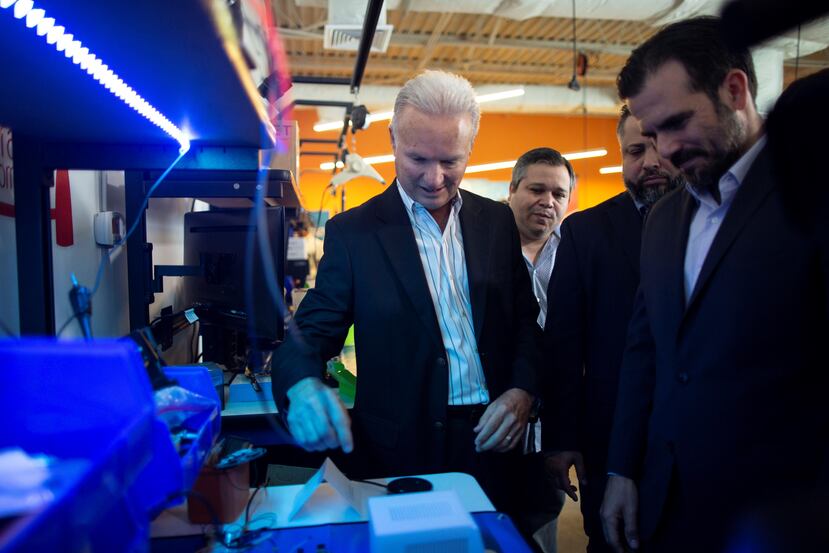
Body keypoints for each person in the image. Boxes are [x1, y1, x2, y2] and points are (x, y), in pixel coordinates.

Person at [599, 16, 829, 553]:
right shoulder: (661, 219)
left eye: (678, 122)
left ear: (734, 89)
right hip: (667, 505)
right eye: (652, 135)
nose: (665, 152)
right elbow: (645, 353)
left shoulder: (811, 194)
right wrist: (622, 468)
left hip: (783, 515)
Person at [271, 70, 541, 517]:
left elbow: (526, 325)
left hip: (494, 444)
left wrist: (522, 392)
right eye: (418, 158)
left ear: (470, 149)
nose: (434, 178)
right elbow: (308, 335)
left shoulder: (496, 223)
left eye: (450, 161)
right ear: (393, 138)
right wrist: (301, 386)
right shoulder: (354, 234)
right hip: (402, 451)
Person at [542, 105, 681, 553]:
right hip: (604, 432)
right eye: (636, 150)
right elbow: (563, 343)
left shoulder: (708, 223)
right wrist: (561, 439)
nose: (650, 162)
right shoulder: (585, 232)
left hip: (694, 435)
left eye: (659, 146)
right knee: (610, 542)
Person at [506, 147, 574, 552]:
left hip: (551, 427)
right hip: (494, 421)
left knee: (542, 528)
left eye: (559, 193)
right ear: (512, 189)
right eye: (536, 189)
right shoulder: (480, 248)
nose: (548, 202)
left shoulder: (574, 253)